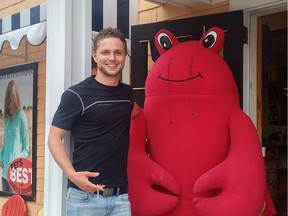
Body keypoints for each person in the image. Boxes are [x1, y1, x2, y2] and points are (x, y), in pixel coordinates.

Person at [48, 27, 140, 216]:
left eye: (118, 52)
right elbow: (54, 138)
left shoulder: (126, 94)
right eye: (105, 52)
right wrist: (72, 175)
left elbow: (139, 113)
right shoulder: (76, 95)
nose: (112, 58)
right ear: (95, 56)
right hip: (84, 198)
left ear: (125, 56)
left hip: (120, 198)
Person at [0, 80, 30, 193]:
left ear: (16, 98)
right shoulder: (7, 118)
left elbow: (26, 148)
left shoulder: (21, 117)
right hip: (4, 175)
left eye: (12, 98)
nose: (10, 102)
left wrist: (17, 160)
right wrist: (0, 157)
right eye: (8, 98)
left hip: (15, 175)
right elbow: (5, 145)